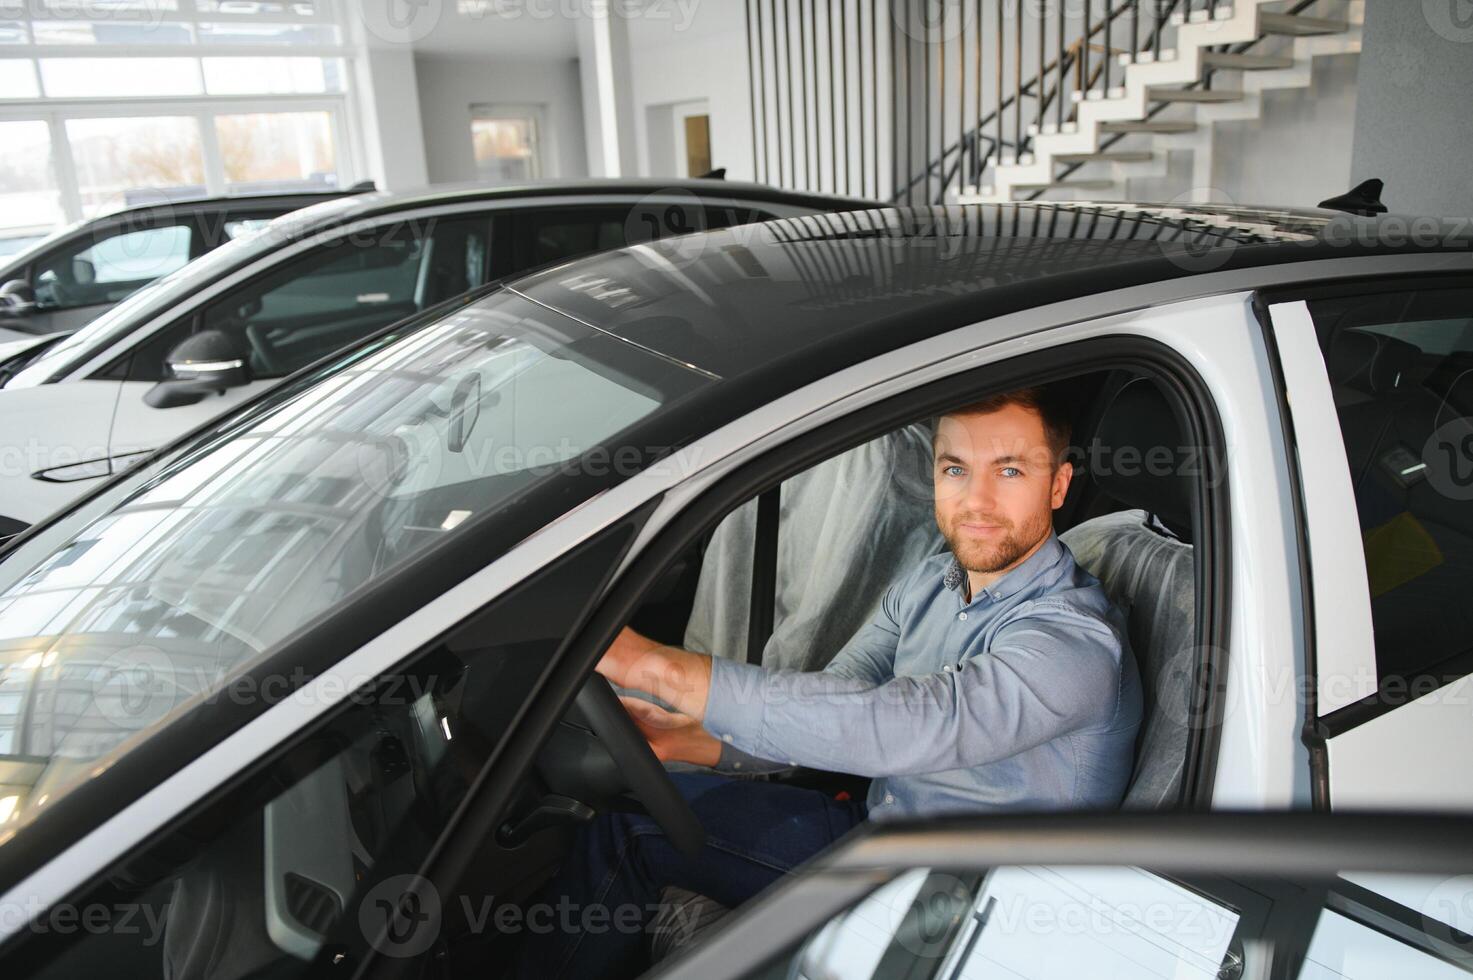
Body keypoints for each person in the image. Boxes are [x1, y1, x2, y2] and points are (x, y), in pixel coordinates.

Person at [508, 387, 1143, 980]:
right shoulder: (933, 581)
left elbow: (907, 725)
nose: (976, 500)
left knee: (639, 835)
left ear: (1058, 485)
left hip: (970, 916)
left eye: (1009, 471)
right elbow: (840, 694)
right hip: (881, 841)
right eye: (955, 469)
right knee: (634, 819)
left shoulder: (1074, 643)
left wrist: (656, 667)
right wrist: (699, 742)